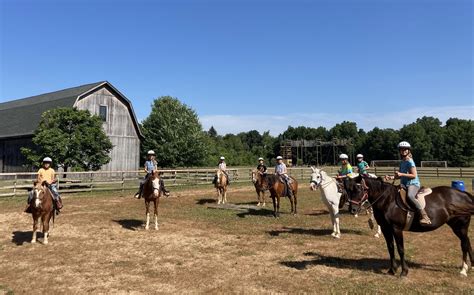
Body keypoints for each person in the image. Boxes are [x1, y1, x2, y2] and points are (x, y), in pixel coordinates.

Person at [385, 141, 431, 224]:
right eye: (402, 149)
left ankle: (425, 216)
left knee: (410, 196)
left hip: (413, 184)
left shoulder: (410, 161)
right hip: (404, 184)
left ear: (408, 150)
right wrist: (390, 177)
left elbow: (413, 175)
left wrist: (401, 174)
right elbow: (399, 175)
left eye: (405, 149)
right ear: (399, 151)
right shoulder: (402, 162)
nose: (404, 151)